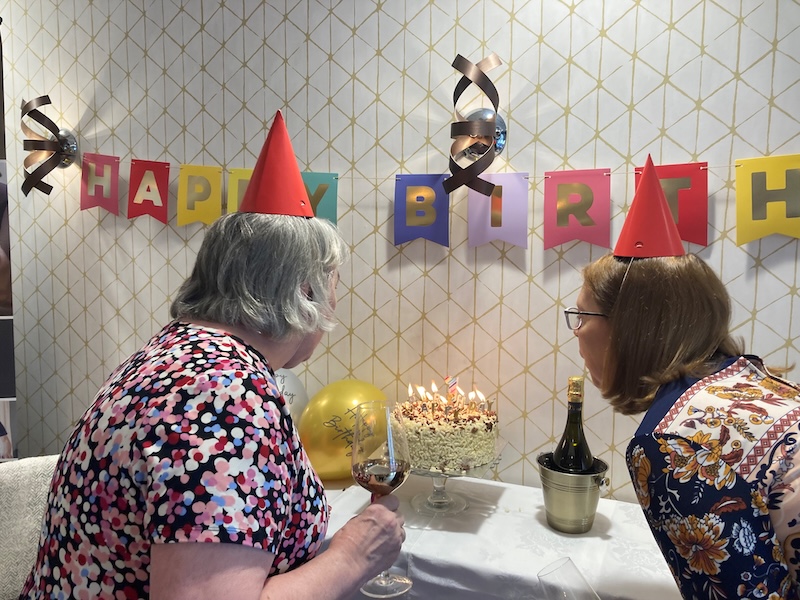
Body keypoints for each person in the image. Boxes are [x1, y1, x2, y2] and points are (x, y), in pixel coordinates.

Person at [21, 112, 406, 600]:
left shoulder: (175, 353)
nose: (336, 302)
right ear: (304, 291)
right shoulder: (224, 396)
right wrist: (355, 556)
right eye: (334, 285)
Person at [569, 156, 800, 600]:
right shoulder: (751, 380)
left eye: (582, 316)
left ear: (630, 326)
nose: (576, 333)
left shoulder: (674, 443)